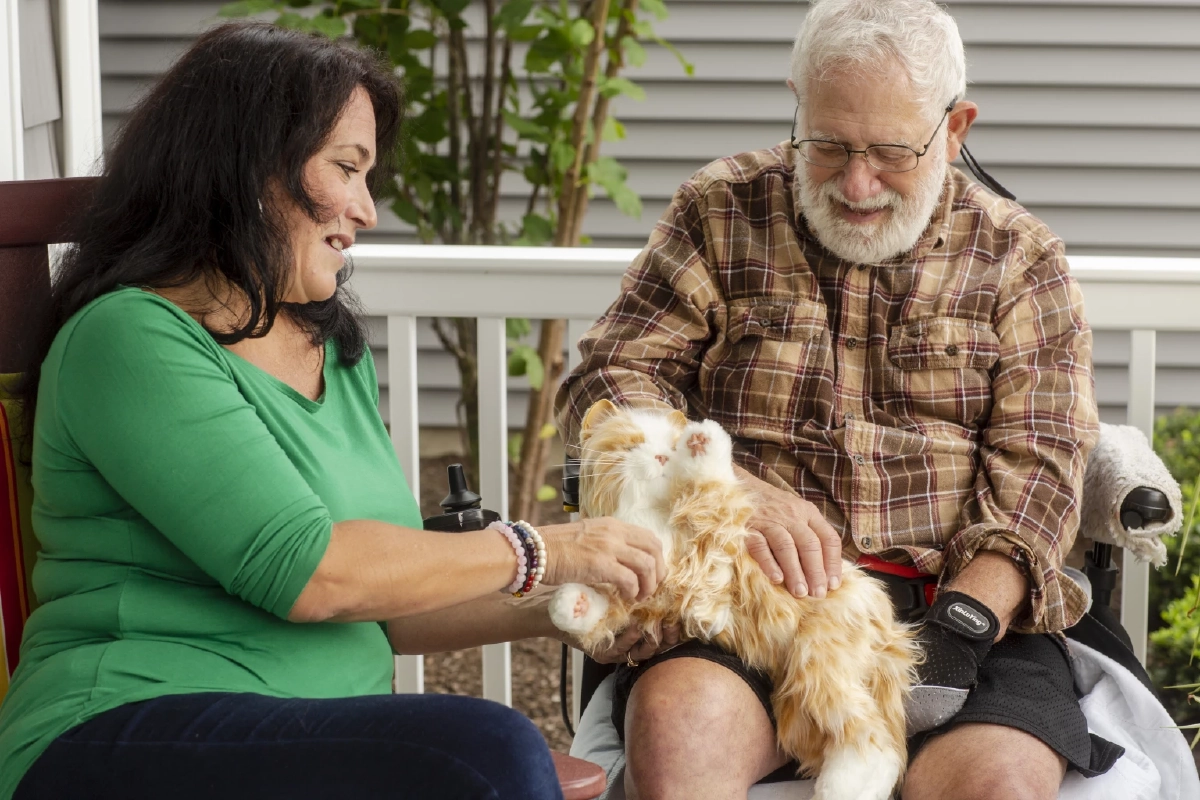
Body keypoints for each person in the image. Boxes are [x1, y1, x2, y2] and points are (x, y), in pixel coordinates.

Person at [0, 22, 672, 800]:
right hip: (124, 727)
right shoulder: (129, 338)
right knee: (485, 751)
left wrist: (572, 609)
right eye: (346, 168)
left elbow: (391, 611)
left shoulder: (331, 350)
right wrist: (547, 547)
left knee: (484, 753)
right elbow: (312, 573)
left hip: (310, 736)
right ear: (248, 165)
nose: (367, 209)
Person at [554, 1, 1126, 798]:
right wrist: (736, 493)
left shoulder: (1020, 259)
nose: (857, 185)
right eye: (827, 145)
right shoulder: (719, 211)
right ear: (799, 105)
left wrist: (959, 630)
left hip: (956, 608)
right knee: (678, 732)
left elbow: (1041, 470)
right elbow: (610, 380)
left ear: (954, 129)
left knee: (998, 782)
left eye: (891, 152)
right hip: (751, 601)